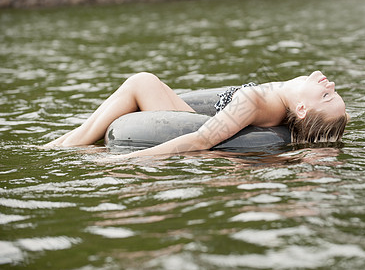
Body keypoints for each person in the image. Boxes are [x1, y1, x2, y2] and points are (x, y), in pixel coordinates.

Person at [45, 70, 349, 158]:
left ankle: (64, 147)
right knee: (146, 83)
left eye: (327, 95)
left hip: (198, 124)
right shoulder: (292, 100)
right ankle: (64, 142)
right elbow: (325, 124)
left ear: (302, 110)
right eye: (334, 93)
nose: (331, 84)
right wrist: (336, 117)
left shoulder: (256, 102)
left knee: (142, 82)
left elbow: (201, 139)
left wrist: (128, 160)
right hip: (203, 114)